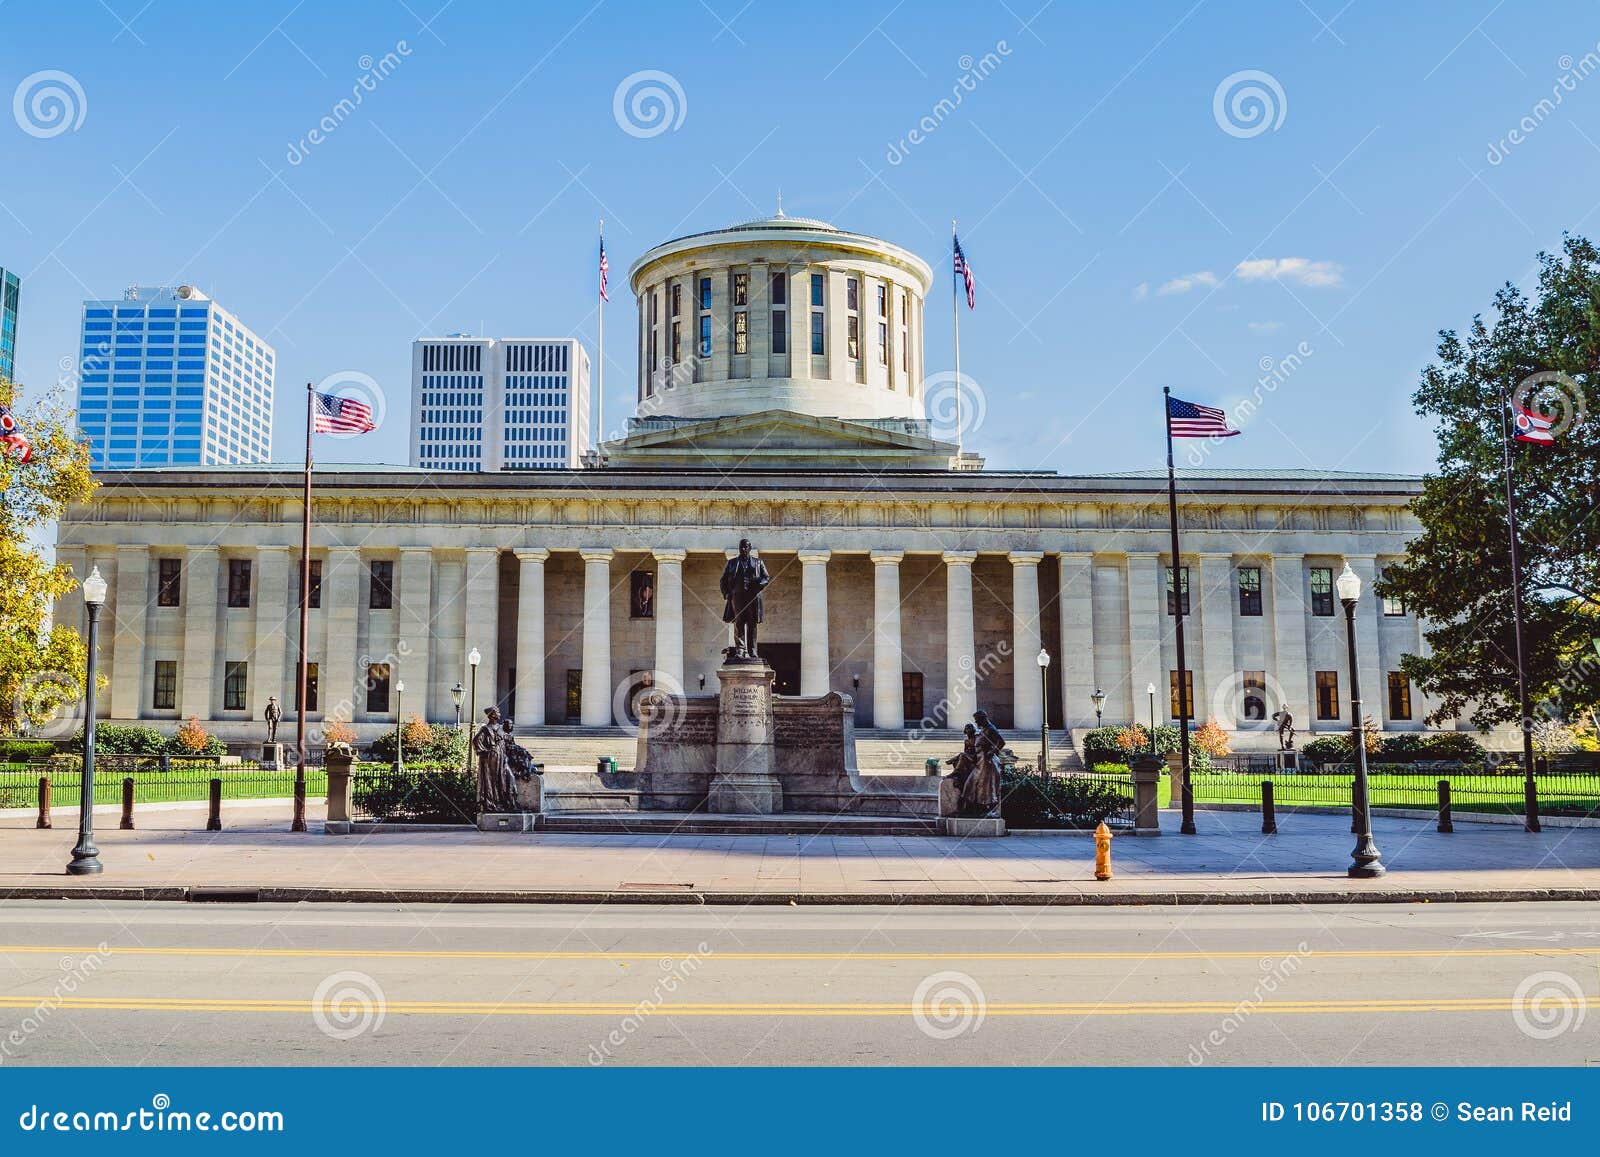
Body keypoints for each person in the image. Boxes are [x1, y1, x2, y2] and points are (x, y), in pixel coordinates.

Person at [719, 538, 771, 660]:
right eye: (741, 547)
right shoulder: (732, 563)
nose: (743, 549)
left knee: (752, 624)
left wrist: (759, 585)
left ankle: (752, 650)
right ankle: (740, 650)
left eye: (745, 547)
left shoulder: (758, 562)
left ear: (749, 548)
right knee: (739, 623)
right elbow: (723, 580)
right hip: (737, 597)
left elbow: (766, 578)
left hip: (753, 597)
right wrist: (727, 593)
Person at [962, 711, 1004, 818]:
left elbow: (1001, 742)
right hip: (980, 760)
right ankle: (971, 808)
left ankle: (985, 809)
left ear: (983, 718)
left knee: (985, 786)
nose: (975, 722)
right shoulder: (984, 729)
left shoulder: (991, 729)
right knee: (971, 783)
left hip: (986, 762)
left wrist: (992, 751)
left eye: (977, 719)